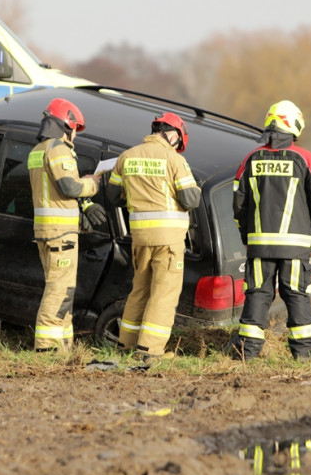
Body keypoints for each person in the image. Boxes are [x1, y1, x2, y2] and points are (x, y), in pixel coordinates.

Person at [230, 100, 311, 361]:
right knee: (296, 294)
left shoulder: (251, 158)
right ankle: (303, 355)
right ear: (295, 125)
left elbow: (239, 203)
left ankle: (247, 353)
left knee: (258, 294)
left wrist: (245, 236)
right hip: (296, 244)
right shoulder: (307, 159)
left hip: (259, 243)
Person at [106, 112, 201, 361]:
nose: (178, 147)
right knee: (163, 293)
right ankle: (150, 350)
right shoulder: (174, 160)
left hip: (140, 239)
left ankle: (126, 344)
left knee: (140, 290)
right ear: (173, 135)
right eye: (179, 142)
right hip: (168, 241)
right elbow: (191, 199)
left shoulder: (126, 157)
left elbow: (113, 197)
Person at [28, 98, 106, 352]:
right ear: (67, 124)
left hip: (48, 232)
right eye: (75, 129)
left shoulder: (37, 151)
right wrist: (93, 183)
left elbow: (56, 192)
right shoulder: (59, 149)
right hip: (61, 235)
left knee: (64, 291)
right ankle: (47, 348)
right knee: (59, 291)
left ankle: (63, 348)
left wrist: (80, 207)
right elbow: (69, 187)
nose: (75, 135)